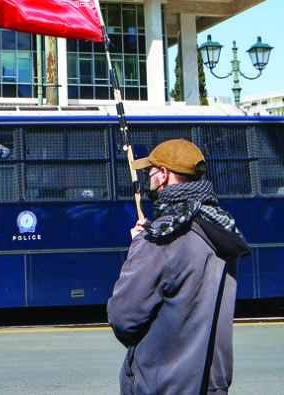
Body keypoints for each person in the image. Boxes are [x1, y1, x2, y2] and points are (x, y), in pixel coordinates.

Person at [107, 139, 250, 395]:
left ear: (163, 175)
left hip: (162, 386)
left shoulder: (161, 239)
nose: (148, 178)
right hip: (210, 385)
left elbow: (124, 318)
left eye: (150, 172)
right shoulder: (219, 228)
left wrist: (138, 246)